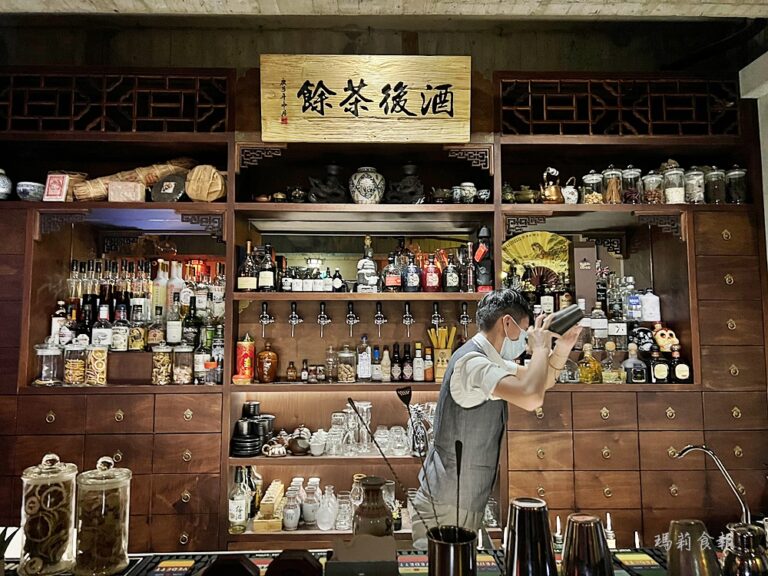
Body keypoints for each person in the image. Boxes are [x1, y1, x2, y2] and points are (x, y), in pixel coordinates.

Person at [411, 289, 581, 548]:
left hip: (461, 503)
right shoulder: (473, 363)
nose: (525, 339)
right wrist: (539, 348)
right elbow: (531, 398)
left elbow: (540, 381)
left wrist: (562, 347)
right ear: (507, 323)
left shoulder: (490, 359)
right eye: (525, 331)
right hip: (446, 507)